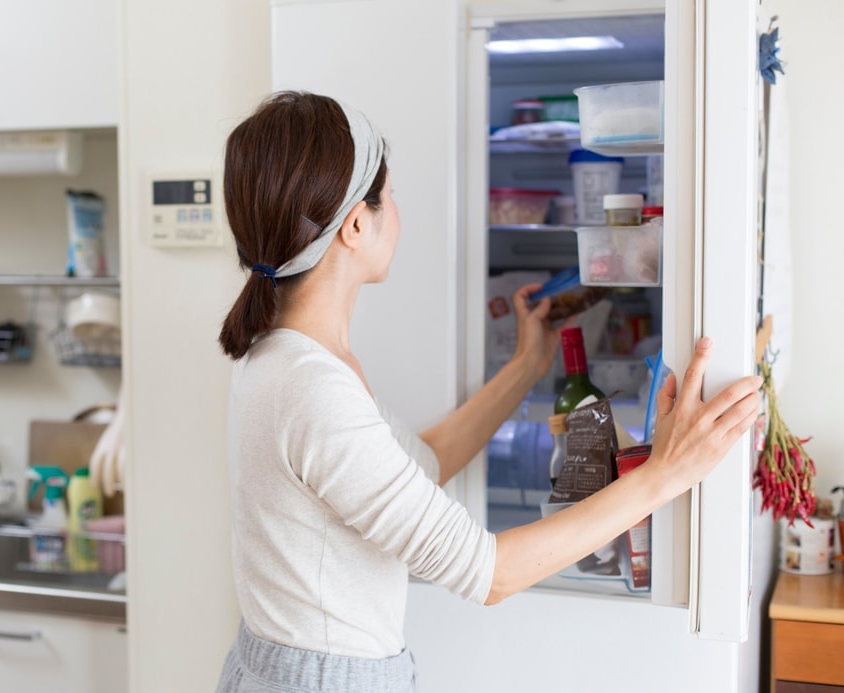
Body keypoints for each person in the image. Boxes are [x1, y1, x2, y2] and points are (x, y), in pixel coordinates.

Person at [214, 91, 762, 693]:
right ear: (355, 224)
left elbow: (417, 466)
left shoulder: (289, 356)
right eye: (390, 195)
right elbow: (488, 573)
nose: (397, 211)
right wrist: (664, 474)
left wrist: (527, 367)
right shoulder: (311, 389)